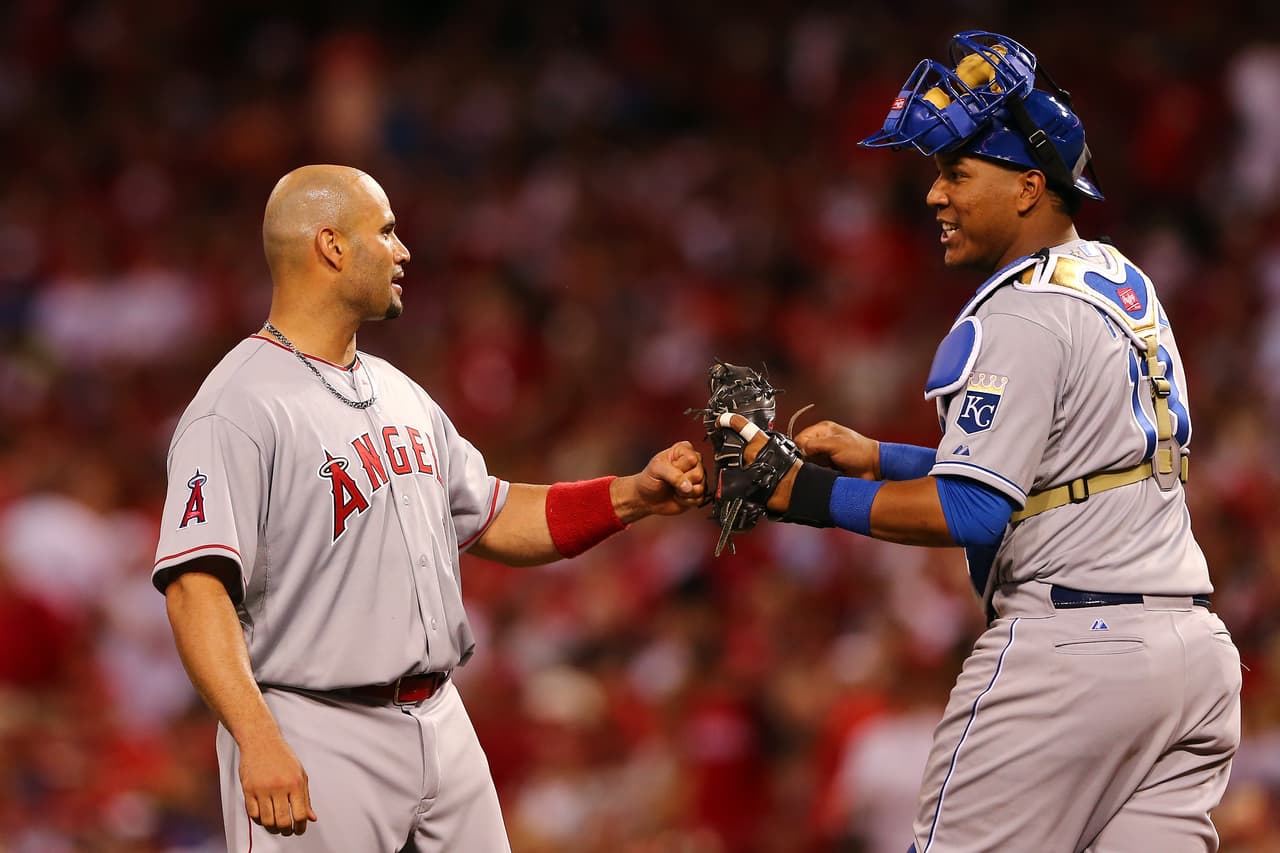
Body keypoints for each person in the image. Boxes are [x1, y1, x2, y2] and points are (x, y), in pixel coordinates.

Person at [721, 31, 1241, 852]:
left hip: (1072, 655)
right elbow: (1066, 475)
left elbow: (971, 507)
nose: (935, 195)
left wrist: (795, 493)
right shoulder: (1118, 279)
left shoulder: (1021, 311)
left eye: (957, 173)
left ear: (1030, 186)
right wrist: (884, 458)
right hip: (1193, 659)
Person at [152, 164, 706, 852]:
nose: (403, 250)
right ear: (331, 246)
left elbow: (495, 515)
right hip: (316, 725)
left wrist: (631, 495)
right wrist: (256, 734)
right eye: (385, 231)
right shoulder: (238, 404)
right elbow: (195, 588)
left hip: (442, 718)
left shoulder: (399, 391)